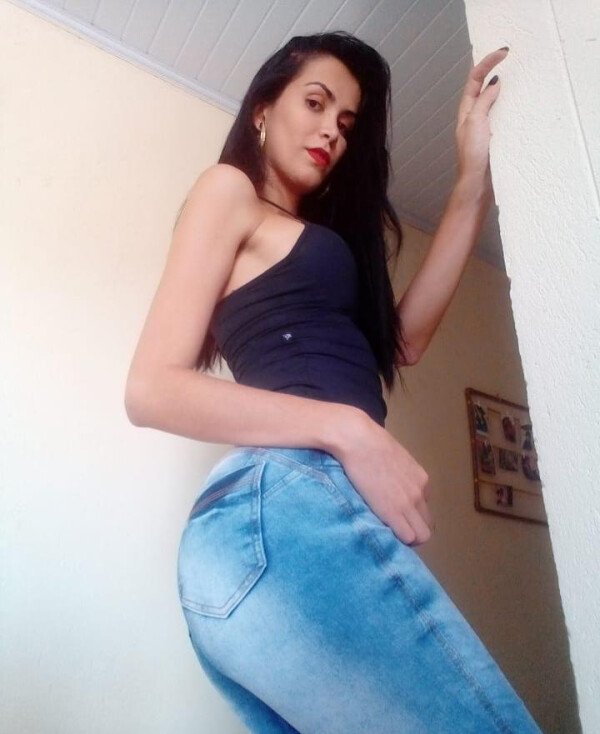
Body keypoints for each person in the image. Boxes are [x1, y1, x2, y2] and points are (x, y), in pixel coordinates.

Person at [125, 31, 544, 734]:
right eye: (316, 103)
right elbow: (150, 390)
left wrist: (471, 175)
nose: (331, 132)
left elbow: (404, 341)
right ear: (262, 109)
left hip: (259, 531)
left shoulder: (313, 239)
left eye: (346, 124)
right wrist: (349, 430)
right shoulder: (228, 190)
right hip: (284, 498)